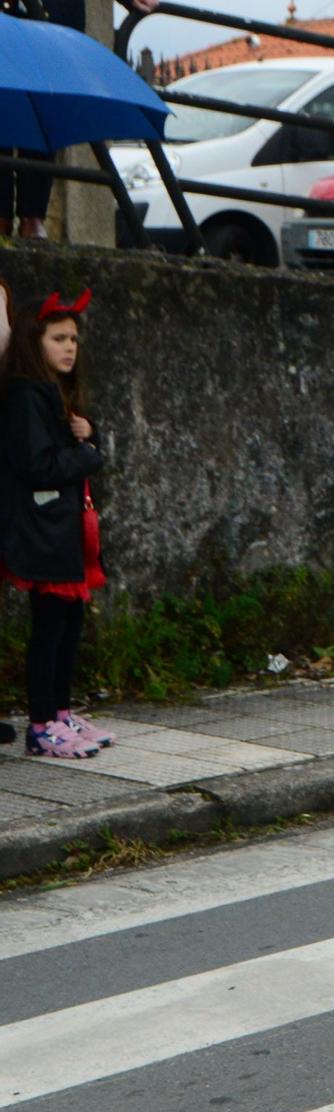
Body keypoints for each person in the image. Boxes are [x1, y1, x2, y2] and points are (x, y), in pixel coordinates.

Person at [2, 0, 157, 239]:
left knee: (45, 110)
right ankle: (1, 216)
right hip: (4, 6)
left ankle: (33, 219)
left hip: (54, 8)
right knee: (3, 110)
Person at [1, 286, 114, 759]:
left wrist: (89, 437)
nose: (70, 347)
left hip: (65, 532)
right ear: (34, 341)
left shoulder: (53, 395)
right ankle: (42, 723)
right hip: (44, 533)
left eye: (73, 339)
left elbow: (66, 456)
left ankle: (62, 713)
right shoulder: (26, 397)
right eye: (59, 338)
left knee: (68, 626)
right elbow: (39, 466)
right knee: (49, 630)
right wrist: (86, 455)